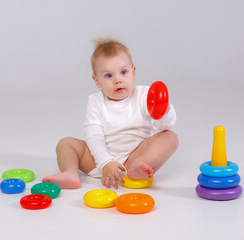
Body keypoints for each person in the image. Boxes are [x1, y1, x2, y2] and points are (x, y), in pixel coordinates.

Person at [43, 39, 178, 189]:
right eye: (108, 76)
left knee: (170, 137)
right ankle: (70, 173)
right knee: (65, 143)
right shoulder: (96, 102)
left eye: (124, 72)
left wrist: (164, 110)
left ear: (133, 72)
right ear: (97, 81)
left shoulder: (145, 95)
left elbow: (164, 125)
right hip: (99, 161)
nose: (118, 80)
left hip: (134, 156)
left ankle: (141, 165)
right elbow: (94, 136)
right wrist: (106, 162)